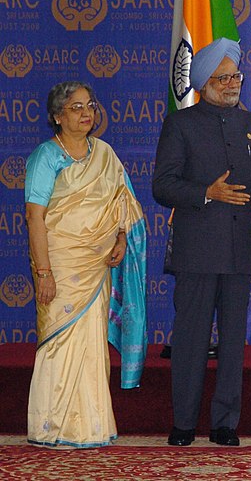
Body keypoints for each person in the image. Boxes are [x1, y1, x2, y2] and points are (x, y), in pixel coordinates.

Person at [152, 37, 251, 447]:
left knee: (233, 342)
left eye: (235, 76)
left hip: (239, 251)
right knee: (189, 341)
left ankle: (225, 423)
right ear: (204, 83)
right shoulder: (181, 123)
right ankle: (184, 423)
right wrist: (208, 192)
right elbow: (163, 186)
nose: (231, 84)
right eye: (222, 78)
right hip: (196, 251)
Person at [25, 81, 147, 449]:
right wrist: (43, 271)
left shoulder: (106, 154)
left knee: (92, 344)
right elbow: (34, 217)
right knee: (58, 341)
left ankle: (90, 427)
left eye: (89, 105)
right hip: (59, 263)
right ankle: (51, 426)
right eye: (76, 107)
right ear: (57, 117)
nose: (85, 113)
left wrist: (121, 239)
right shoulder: (46, 157)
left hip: (96, 265)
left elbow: (121, 204)